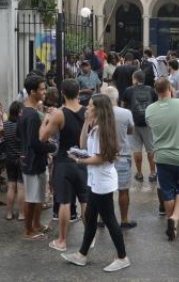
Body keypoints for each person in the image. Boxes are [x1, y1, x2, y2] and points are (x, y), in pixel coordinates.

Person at [63, 94, 130, 272]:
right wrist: (86, 122)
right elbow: (83, 143)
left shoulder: (102, 130)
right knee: (91, 218)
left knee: (109, 220)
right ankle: (81, 255)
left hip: (102, 182)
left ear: (99, 109)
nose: (87, 107)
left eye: (91, 105)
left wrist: (79, 160)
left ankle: (122, 257)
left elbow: (100, 158)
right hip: (96, 181)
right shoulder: (96, 127)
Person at [39, 78, 89, 251]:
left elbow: (43, 137)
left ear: (62, 93)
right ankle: (90, 238)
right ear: (79, 92)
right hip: (83, 160)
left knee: (65, 202)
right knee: (85, 201)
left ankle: (62, 241)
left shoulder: (59, 114)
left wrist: (46, 119)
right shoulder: (88, 111)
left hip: (64, 161)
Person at [146, 77, 179, 241]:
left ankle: (171, 222)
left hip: (162, 157)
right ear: (170, 88)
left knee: (167, 191)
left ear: (155, 90)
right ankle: (175, 218)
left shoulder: (150, 110)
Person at [18, 74, 57, 240]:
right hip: (33, 160)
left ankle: (36, 224)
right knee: (32, 197)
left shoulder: (27, 111)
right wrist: (52, 147)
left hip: (32, 158)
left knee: (38, 195)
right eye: (42, 89)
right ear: (32, 91)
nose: (45, 92)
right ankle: (28, 231)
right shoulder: (31, 115)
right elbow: (35, 142)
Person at [102, 86, 136, 228]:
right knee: (123, 190)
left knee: (104, 191)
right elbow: (131, 130)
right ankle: (124, 219)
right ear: (117, 98)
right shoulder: (126, 113)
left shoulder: (100, 114)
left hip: (103, 157)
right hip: (122, 156)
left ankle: (102, 219)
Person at [122, 71, 157, 183]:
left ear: (135, 79)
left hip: (134, 123)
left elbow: (123, 107)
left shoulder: (128, 90)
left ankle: (140, 174)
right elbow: (156, 104)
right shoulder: (151, 90)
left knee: (137, 150)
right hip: (148, 124)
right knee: (151, 149)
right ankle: (152, 173)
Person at [4, 101, 25, 221]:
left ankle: (9, 213)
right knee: (21, 187)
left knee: (11, 186)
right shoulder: (22, 125)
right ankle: (22, 214)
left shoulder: (5, 125)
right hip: (22, 158)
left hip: (9, 158)